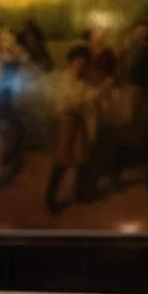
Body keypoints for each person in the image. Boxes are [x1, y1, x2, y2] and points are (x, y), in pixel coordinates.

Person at [45, 45, 103, 213]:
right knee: (62, 159)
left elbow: (86, 96)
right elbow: (73, 99)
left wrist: (96, 94)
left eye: (84, 63)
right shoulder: (65, 79)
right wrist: (96, 93)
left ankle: (80, 193)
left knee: (81, 156)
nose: (82, 66)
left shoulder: (80, 80)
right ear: (72, 62)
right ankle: (50, 198)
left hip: (76, 120)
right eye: (79, 62)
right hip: (66, 121)